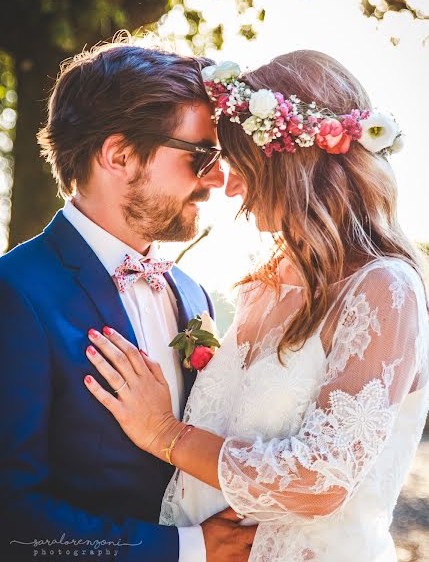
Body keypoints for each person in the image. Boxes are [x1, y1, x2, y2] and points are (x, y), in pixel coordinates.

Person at [83, 50, 429, 561]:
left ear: (292, 162)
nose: (224, 181)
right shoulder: (263, 283)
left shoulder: (384, 287)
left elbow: (321, 481)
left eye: (234, 160)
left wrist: (162, 432)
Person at [0, 36, 257, 562]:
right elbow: (12, 517)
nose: (217, 180)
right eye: (202, 155)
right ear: (118, 155)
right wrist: (185, 549)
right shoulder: (16, 292)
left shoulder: (194, 294)